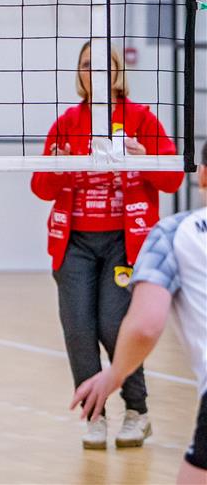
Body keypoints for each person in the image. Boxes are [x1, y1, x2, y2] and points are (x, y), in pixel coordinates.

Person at [31, 41, 183, 450]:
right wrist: (59, 166)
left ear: (118, 72)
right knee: (79, 331)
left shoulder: (142, 119)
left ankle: (137, 412)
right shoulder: (66, 123)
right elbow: (40, 188)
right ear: (78, 74)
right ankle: (94, 417)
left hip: (124, 242)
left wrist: (144, 158)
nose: (94, 72)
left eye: (103, 65)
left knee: (115, 326)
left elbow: (172, 180)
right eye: (86, 65)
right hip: (74, 243)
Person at [72, 141, 205, 483]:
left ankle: (135, 411)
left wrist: (114, 375)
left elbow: (145, 325)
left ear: (202, 176)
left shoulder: (175, 234)